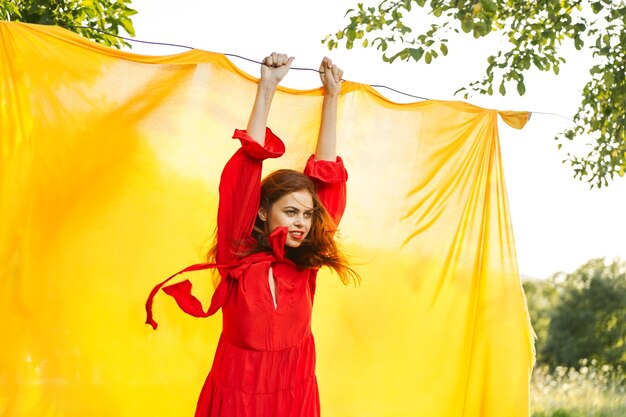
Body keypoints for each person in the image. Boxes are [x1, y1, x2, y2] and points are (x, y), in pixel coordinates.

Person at [145, 52, 358, 417]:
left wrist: (332, 97)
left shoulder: (306, 262)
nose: (301, 223)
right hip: (237, 393)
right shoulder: (237, 253)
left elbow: (327, 180)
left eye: (306, 214)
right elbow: (246, 167)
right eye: (290, 212)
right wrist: (267, 86)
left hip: (294, 390)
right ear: (262, 211)